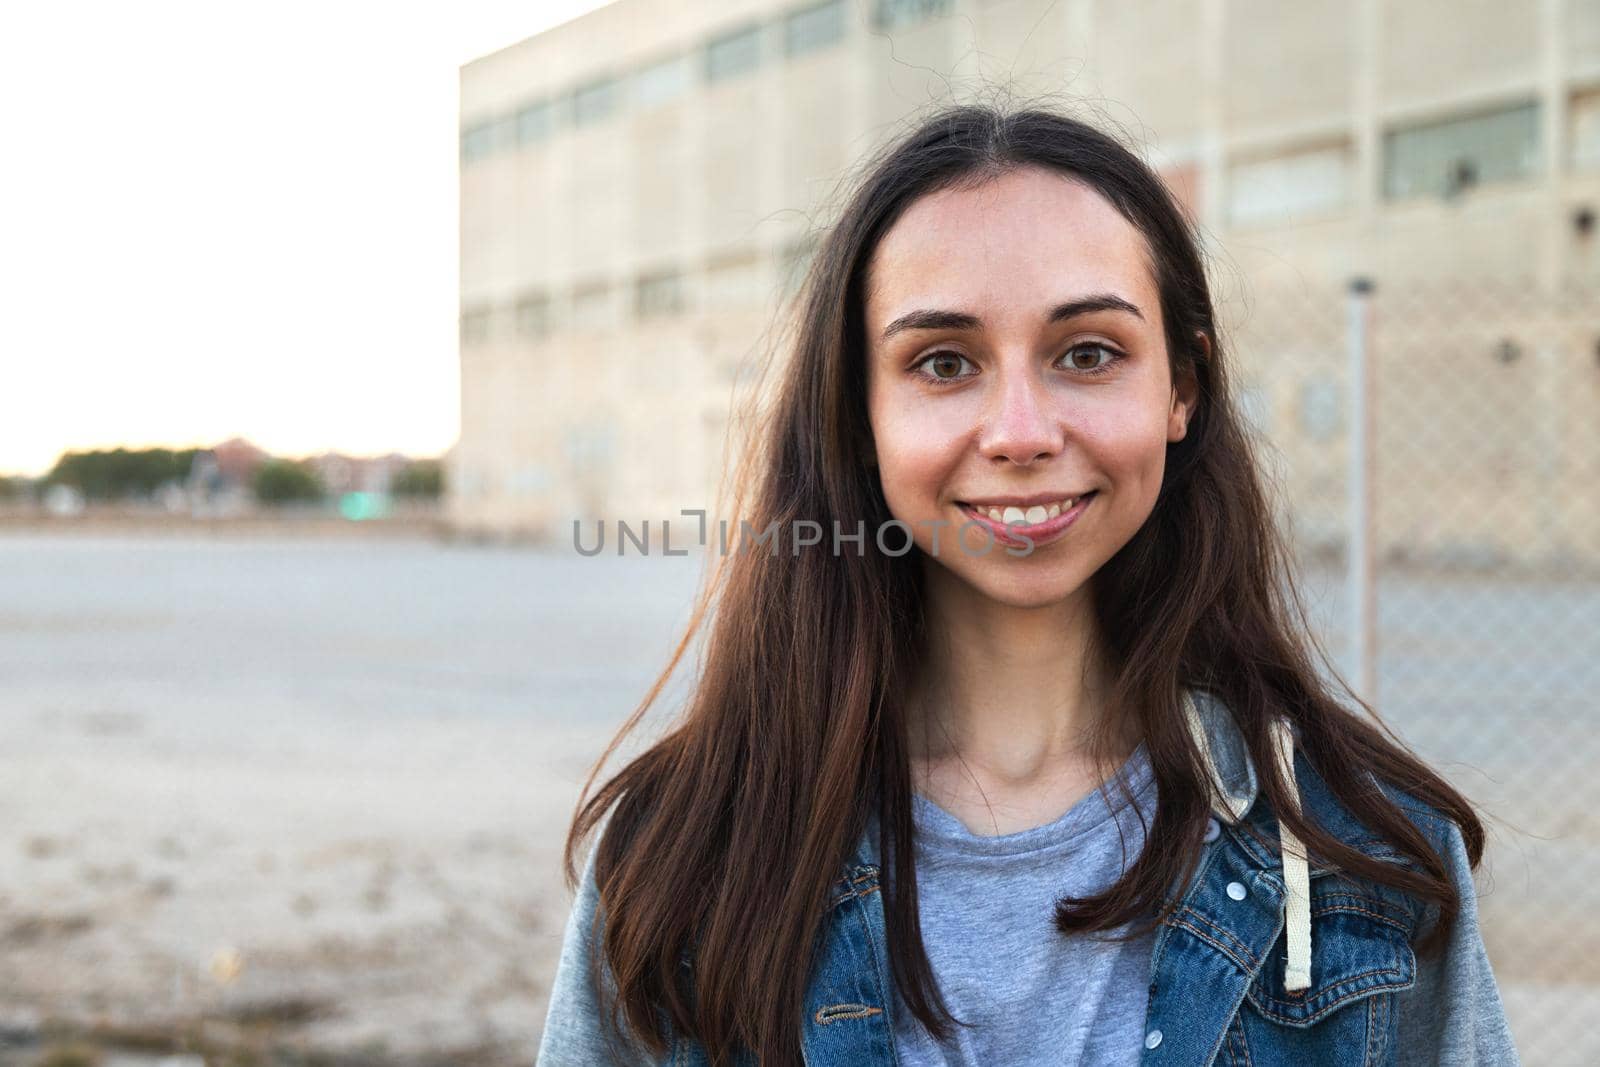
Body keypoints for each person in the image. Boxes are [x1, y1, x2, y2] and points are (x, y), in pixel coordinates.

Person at [535, 104, 1519, 1066]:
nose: (1019, 431)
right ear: (857, 411)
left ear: (1181, 384)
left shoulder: (1369, 859)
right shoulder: (682, 852)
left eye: (1087, 353)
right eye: (943, 362)